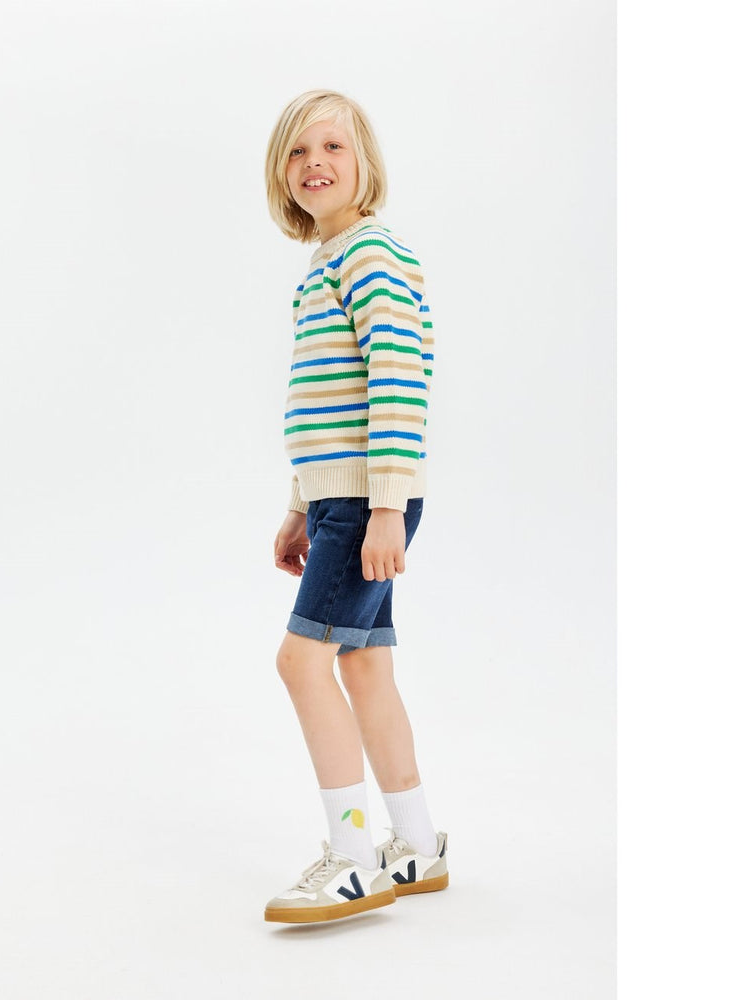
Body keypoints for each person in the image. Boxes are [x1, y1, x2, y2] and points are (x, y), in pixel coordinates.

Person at [262, 90, 449, 924]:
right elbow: (322, 406)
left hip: (369, 502)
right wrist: (300, 503)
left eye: (333, 146)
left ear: (364, 161)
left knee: (301, 662)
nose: (315, 163)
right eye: (298, 151)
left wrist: (385, 509)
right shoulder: (325, 262)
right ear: (281, 173)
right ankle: (417, 845)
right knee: (363, 664)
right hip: (340, 500)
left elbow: (398, 382)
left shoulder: (369, 254)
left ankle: (351, 860)